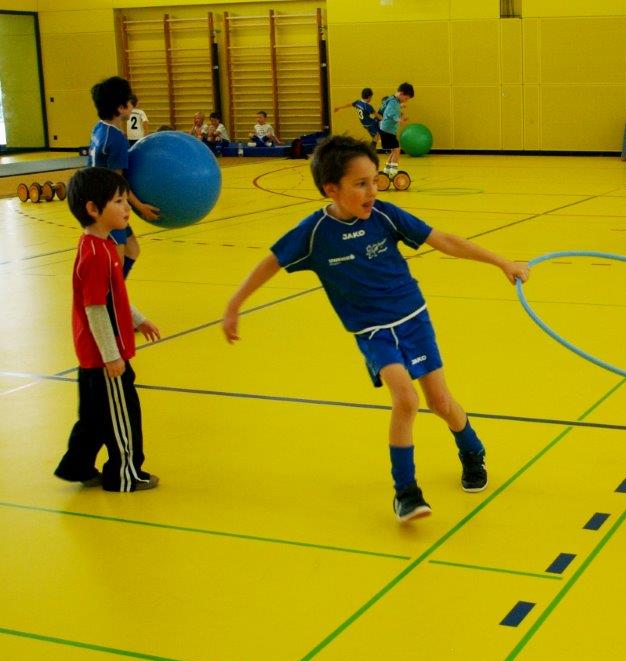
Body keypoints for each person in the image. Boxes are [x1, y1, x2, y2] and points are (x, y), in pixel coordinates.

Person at [221, 135, 530, 522]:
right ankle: (406, 492)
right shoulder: (314, 233)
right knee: (406, 400)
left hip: (413, 320)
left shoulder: (386, 216)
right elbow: (271, 261)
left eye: (374, 180)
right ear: (331, 189)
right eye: (361, 183)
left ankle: (471, 449)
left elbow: (444, 241)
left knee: (440, 403)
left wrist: (502, 262)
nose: (373, 190)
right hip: (373, 333)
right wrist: (235, 304)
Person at [53, 167, 161, 492]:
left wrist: (138, 319)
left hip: (95, 356)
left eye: (126, 200)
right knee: (122, 416)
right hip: (104, 358)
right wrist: (112, 356)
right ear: (93, 209)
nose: (127, 208)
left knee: (94, 416)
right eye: (118, 201)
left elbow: (115, 295)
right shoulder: (96, 254)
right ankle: (124, 474)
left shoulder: (101, 246)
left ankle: (77, 466)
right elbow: (96, 309)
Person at [87, 76, 159, 277]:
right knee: (116, 264)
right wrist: (141, 207)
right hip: (105, 206)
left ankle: (115, 292)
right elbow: (117, 182)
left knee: (132, 249)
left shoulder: (99, 127)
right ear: (120, 108)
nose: (132, 105)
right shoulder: (117, 138)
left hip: (97, 198)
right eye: (129, 102)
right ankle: (110, 295)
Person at [379, 82, 414, 177]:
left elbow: (388, 107)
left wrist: (400, 107)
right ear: (401, 93)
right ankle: (393, 171)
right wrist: (398, 119)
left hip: (386, 130)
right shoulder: (393, 102)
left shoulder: (393, 100)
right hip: (387, 130)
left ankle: (387, 170)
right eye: (406, 98)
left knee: (393, 150)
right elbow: (390, 112)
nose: (406, 101)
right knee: (397, 149)